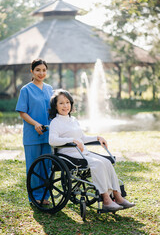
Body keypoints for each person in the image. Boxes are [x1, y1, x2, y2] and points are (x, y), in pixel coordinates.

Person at [49, 89, 135, 212]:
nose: (65, 106)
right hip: (68, 155)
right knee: (98, 164)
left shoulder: (73, 120)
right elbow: (52, 140)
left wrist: (97, 138)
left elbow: (82, 138)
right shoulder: (55, 122)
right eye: (61, 103)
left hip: (82, 153)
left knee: (106, 162)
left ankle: (118, 196)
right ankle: (106, 200)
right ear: (55, 106)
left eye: (67, 102)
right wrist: (72, 140)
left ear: (71, 104)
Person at [16, 58, 54, 204]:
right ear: (32, 71)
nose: (41, 73)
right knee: (33, 166)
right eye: (38, 70)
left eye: (44, 70)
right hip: (32, 135)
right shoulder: (26, 90)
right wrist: (36, 124)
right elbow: (22, 112)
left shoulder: (50, 89)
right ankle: (35, 197)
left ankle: (45, 196)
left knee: (47, 166)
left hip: (48, 134)